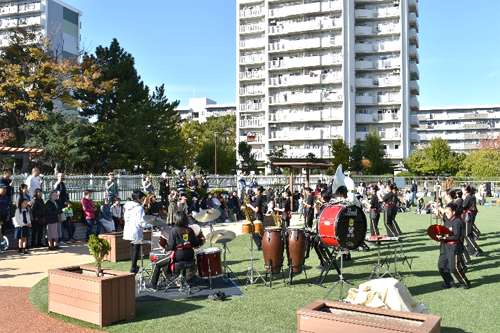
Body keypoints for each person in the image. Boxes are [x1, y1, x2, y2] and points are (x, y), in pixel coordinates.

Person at [145, 211, 203, 290]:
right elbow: (195, 243)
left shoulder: (174, 230)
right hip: (190, 254)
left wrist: (165, 250)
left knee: (157, 263)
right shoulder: (190, 230)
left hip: (179, 255)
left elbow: (171, 246)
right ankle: (182, 279)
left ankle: (153, 284)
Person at [437, 202, 470, 289]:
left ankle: (465, 283)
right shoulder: (447, 221)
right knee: (441, 266)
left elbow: (456, 236)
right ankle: (450, 282)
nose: (446, 215)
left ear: (454, 212)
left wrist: (444, 238)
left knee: (454, 268)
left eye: (448, 213)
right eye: (445, 213)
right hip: (445, 246)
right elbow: (444, 231)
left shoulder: (457, 222)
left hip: (454, 247)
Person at [123, 190, 152, 274]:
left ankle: (133, 265)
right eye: (142, 197)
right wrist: (150, 224)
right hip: (135, 229)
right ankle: (133, 267)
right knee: (136, 248)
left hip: (129, 228)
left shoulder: (127, 206)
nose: (144, 199)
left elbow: (125, 218)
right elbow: (141, 221)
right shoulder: (139, 208)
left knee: (132, 247)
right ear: (138, 198)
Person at [463, 186, 483, 257]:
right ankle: (471, 250)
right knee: (469, 234)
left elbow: (464, 206)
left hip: (468, 216)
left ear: (466, 191)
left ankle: (476, 249)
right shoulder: (472, 196)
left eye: (463, 189)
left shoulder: (468, 197)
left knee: (467, 235)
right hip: (471, 215)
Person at [246, 186, 265, 250]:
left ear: (259, 191)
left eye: (255, 190)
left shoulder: (258, 198)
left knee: (256, 232)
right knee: (257, 232)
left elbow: (256, 209)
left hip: (257, 216)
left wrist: (250, 205)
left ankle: (261, 246)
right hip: (259, 215)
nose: (254, 191)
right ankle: (261, 245)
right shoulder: (261, 197)